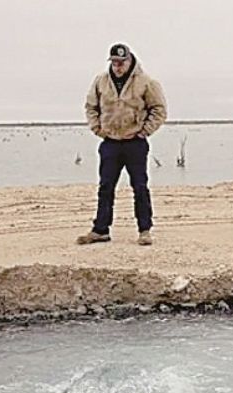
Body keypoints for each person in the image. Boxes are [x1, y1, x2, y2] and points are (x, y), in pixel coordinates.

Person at [77, 43, 167, 246]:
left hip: (135, 143)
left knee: (140, 186)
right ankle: (101, 229)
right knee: (105, 187)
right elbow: (91, 107)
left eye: (121, 62)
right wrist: (98, 129)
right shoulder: (100, 81)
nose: (118, 66)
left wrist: (144, 131)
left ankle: (144, 230)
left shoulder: (146, 82)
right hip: (110, 143)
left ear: (129, 60)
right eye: (114, 62)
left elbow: (159, 110)